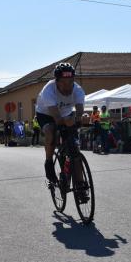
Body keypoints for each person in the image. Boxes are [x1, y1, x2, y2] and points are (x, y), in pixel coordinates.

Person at [34, 62, 87, 201]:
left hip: (66, 113)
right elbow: (57, 119)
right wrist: (69, 121)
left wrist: (81, 117)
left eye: (70, 82)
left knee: (74, 150)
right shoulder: (48, 91)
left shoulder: (78, 90)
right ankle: (48, 162)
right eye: (63, 82)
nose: (67, 86)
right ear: (56, 82)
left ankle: (80, 186)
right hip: (46, 114)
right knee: (51, 131)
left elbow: (80, 108)